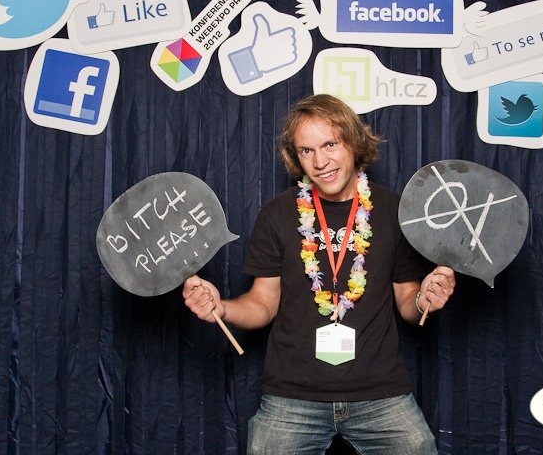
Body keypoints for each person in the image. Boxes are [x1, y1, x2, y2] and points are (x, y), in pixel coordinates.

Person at [182, 94, 455, 454]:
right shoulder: (278, 214)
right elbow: (263, 303)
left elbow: (407, 300)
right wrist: (222, 309)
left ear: (354, 143)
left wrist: (426, 299)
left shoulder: (394, 211)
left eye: (330, 145)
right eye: (306, 150)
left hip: (379, 393)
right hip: (293, 396)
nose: (320, 161)